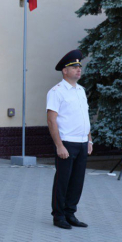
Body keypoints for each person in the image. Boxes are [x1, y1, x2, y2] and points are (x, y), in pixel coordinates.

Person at [47, 49, 93, 230]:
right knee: (63, 181)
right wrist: (59, 145)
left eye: (79, 67)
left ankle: (70, 213)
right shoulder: (56, 92)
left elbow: (84, 117)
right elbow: (51, 120)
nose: (78, 69)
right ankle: (58, 216)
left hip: (82, 143)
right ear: (64, 71)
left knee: (77, 181)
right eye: (74, 67)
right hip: (66, 142)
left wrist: (89, 140)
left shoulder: (81, 90)